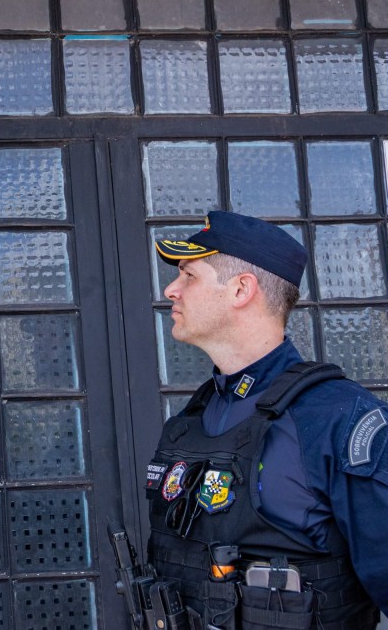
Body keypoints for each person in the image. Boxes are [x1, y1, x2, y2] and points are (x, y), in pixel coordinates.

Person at [145, 210, 387, 629]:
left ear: (241, 289)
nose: (171, 289)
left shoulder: (339, 420)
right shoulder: (190, 421)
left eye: (189, 275)